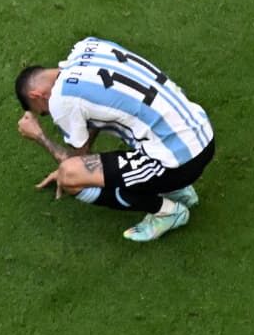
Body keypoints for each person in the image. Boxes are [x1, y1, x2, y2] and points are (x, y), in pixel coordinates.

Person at [14, 36, 216, 241]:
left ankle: (168, 212)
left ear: (37, 95)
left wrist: (39, 136)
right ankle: (177, 191)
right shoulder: (87, 46)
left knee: (69, 176)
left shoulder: (61, 100)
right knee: (140, 133)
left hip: (181, 162)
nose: (49, 114)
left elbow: (74, 164)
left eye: (44, 112)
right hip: (202, 133)